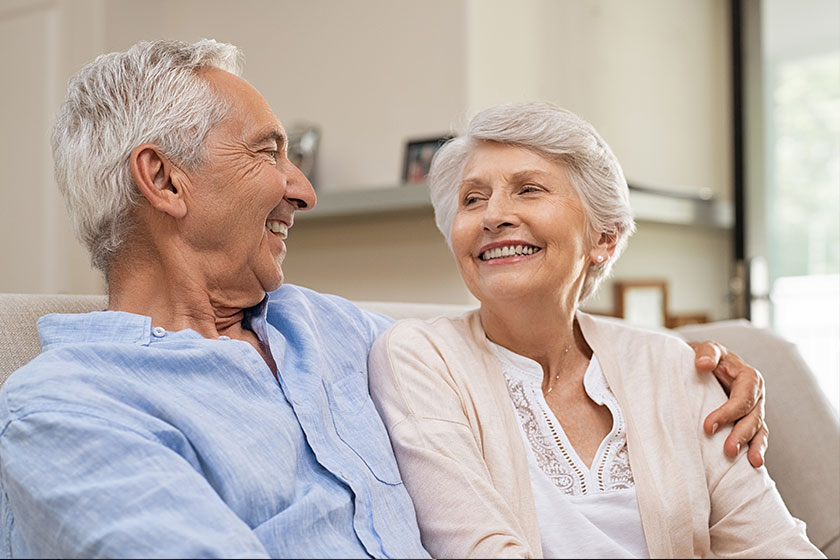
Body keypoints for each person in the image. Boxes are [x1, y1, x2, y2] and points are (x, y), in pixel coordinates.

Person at [0, 40, 764, 558]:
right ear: (163, 180)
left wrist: (701, 368)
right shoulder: (68, 411)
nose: (302, 189)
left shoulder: (329, 330)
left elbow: (517, 336)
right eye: (270, 152)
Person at [367, 102, 823, 558]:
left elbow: (775, 545)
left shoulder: (677, 365)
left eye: (527, 190)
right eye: (473, 198)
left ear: (604, 238)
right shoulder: (421, 357)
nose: (493, 216)